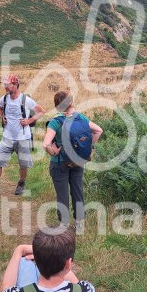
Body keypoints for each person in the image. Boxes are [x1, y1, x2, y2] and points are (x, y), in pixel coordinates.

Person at [42, 91, 102, 229]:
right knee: (77, 190)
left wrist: (53, 152)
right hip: (78, 161)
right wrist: (89, 147)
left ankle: (64, 225)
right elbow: (99, 130)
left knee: (62, 194)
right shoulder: (82, 118)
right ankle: (79, 224)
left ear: (57, 106)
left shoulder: (55, 122)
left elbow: (46, 143)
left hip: (60, 163)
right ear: (71, 102)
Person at [0, 74, 45, 196]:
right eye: (5, 85)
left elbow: (41, 111)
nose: (5, 87)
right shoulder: (4, 99)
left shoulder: (26, 100)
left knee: (23, 163)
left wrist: (29, 121)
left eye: (8, 85)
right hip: (7, 137)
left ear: (15, 85)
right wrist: (2, 117)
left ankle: (21, 184)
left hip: (23, 138)